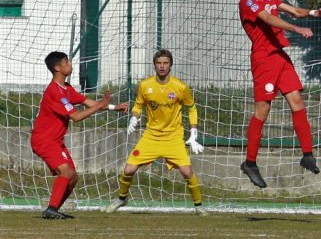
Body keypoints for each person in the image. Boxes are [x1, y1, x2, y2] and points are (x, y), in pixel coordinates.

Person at [235, 0, 321, 188]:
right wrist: (296, 29)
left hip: (280, 55)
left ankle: (307, 155)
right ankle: (250, 162)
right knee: (263, 110)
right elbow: (268, 19)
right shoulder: (248, 3)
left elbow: (294, 10)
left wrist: (313, 12)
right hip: (264, 59)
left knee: (297, 101)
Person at [104, 49, 207, 215]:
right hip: (151, 136)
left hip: (173, 137)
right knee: (129, 169)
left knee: (187, 172)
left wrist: (194, 132)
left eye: (165, 63)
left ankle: (199, 206)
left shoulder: (180, 87)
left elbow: (192, 108)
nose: (162, 66)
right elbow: (138, 105)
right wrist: (134, 118)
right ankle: (121, 198)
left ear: (171, 66)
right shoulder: (145, 85)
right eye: (159, 63)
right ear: (154, 65)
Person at [31, 51, 128, 219]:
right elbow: (76, 117)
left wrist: (114, 107)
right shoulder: (54, 91)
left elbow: (87, 102)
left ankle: (53, 210)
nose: (70, 64)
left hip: (55, 141)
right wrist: (100, 106)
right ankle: (52, 210)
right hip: (44, 140)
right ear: (57, 68)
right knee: (66, 172)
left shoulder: (66, 89)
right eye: (66, 61)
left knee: (73, 177)